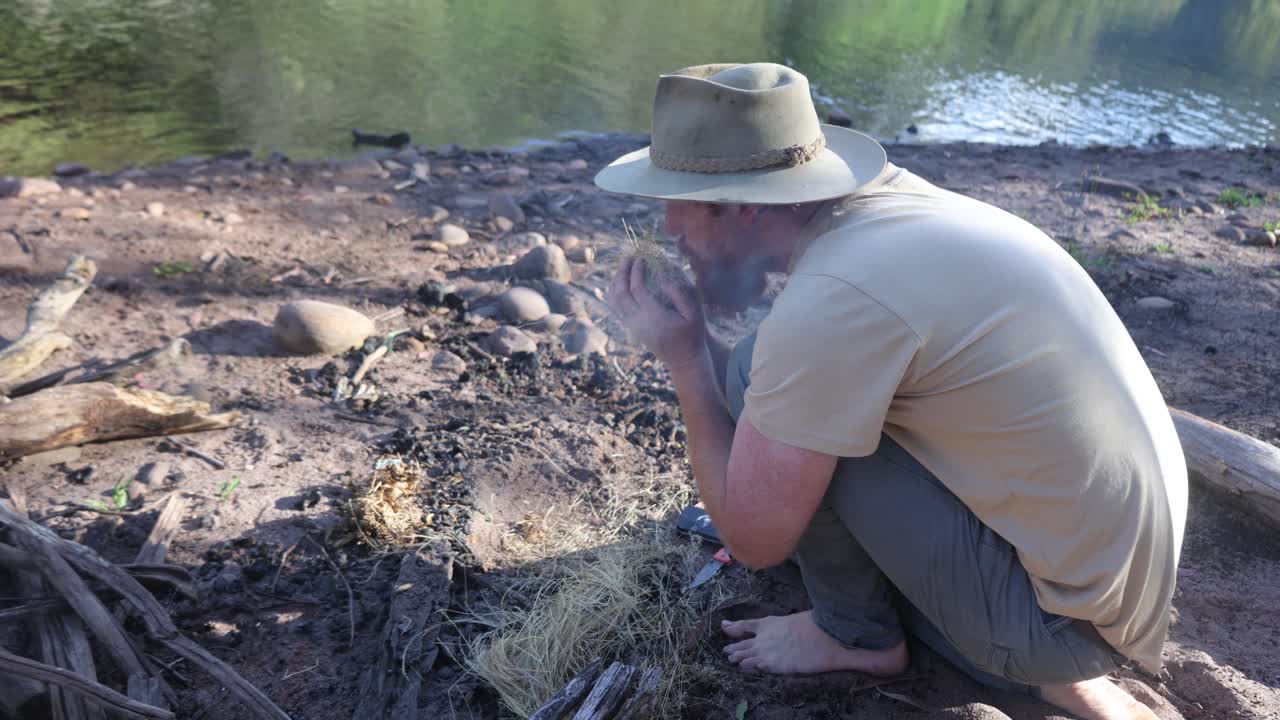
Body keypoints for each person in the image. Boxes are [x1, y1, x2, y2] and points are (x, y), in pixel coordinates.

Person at [596, 63, 1186, 720]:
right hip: (1107, 589)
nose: (669, 226)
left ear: (743, 204)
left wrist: (684, 361)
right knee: (760, 372)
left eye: (679, 200)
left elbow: (755, 541)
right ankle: (1032, 649)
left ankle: (855, 636)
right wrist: (696, 338)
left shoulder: (834, 300)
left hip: (1055, 625)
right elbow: (793, 375)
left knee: (769, 385)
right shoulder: (892, 211)